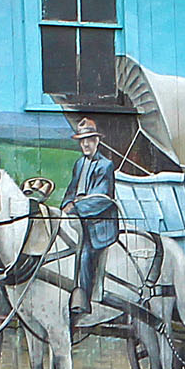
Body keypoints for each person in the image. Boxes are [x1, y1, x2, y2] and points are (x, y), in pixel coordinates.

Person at [63, 111, 120, 322]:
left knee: (85, 252)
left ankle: (82, 301)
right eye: (82, 141)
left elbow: (102, 198)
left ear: (97, 141)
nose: (86, 145)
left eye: (89, 140)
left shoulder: (105, 165)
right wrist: (65, 205)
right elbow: (71, 190)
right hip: (78, 216)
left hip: (97, 221)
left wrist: (76, 208)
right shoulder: (79, 164)